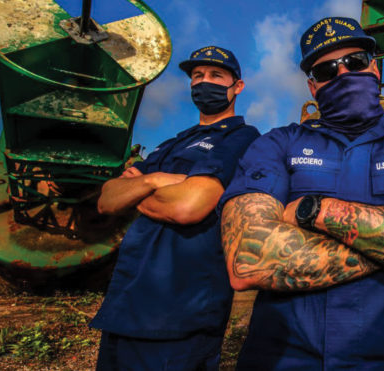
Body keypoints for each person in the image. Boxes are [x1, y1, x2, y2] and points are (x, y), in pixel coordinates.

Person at [219, 17, 384, 370]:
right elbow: (247, 259)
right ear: (313, 87)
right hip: (280, 361)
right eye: (327, 70)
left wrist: (314, 211)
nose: (343, 74)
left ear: (374, 68)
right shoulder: (278, 143)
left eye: (355, 62)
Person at [90, 46, 260, 370]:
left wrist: (137, 188)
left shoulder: (242, 138)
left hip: (180, 311)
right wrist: (158, 179)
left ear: (237, 86)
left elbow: (189, 206)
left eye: (215, 75)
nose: (203, 82)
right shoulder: (172, 143)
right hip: (127, 303)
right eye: (197, 76)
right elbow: (107, 199)